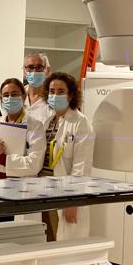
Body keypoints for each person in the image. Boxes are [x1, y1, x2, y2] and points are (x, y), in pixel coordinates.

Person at [39, 71, 94, 242]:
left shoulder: (80, 122)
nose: (55, 95)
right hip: (42, 189)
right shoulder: (48, 122)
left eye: (61, 91)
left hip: (64, 191)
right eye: (51, 91)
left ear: (70, 95)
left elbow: (81, 166)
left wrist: (73, 201)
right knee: (45, 239)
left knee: (64, 241)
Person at [0, 78, 46, 181]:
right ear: (1, 99)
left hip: (20, 185)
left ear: (24, 96)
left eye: (14, 94)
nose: (10, 98)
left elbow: (34, 164)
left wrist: (2, 158)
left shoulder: (35, 126)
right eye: (6, 95)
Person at [23, 51, 51, 126]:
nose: (34, 71)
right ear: (24, 70)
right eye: (30, 67)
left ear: (47, 70)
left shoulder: (53, 99)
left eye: (39, 67)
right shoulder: (17, 95)